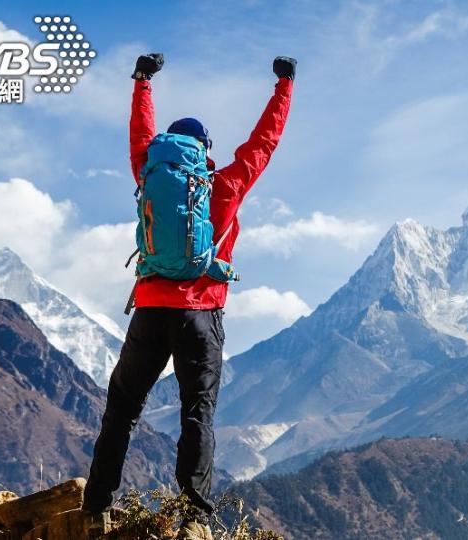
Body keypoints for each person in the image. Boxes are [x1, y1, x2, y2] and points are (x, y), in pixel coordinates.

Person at [82, 52, 295, 540]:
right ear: (205, 152)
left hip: (151, 310)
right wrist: (284, 85)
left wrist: (142, 81)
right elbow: (265, 141)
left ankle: (96, 507)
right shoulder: (225, 185)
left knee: (122, 410)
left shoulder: (148, 174)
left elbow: (139, 132)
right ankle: (194, 519)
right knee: (197, 414)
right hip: (201, 316)